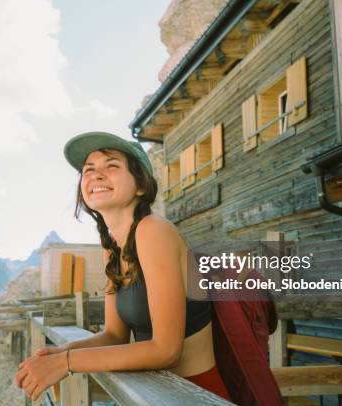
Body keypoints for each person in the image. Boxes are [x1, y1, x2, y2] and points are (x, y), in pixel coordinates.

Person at [15, 131, 231, 402]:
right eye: (88, 170)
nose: (96, 175)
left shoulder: (153, 230)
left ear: (140, 185)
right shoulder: (113, 247)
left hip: (194, 395)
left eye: (112, 166)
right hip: (154, 394)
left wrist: (67, 362)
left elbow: (167, 351)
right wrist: (59, 353)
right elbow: (115, 335)